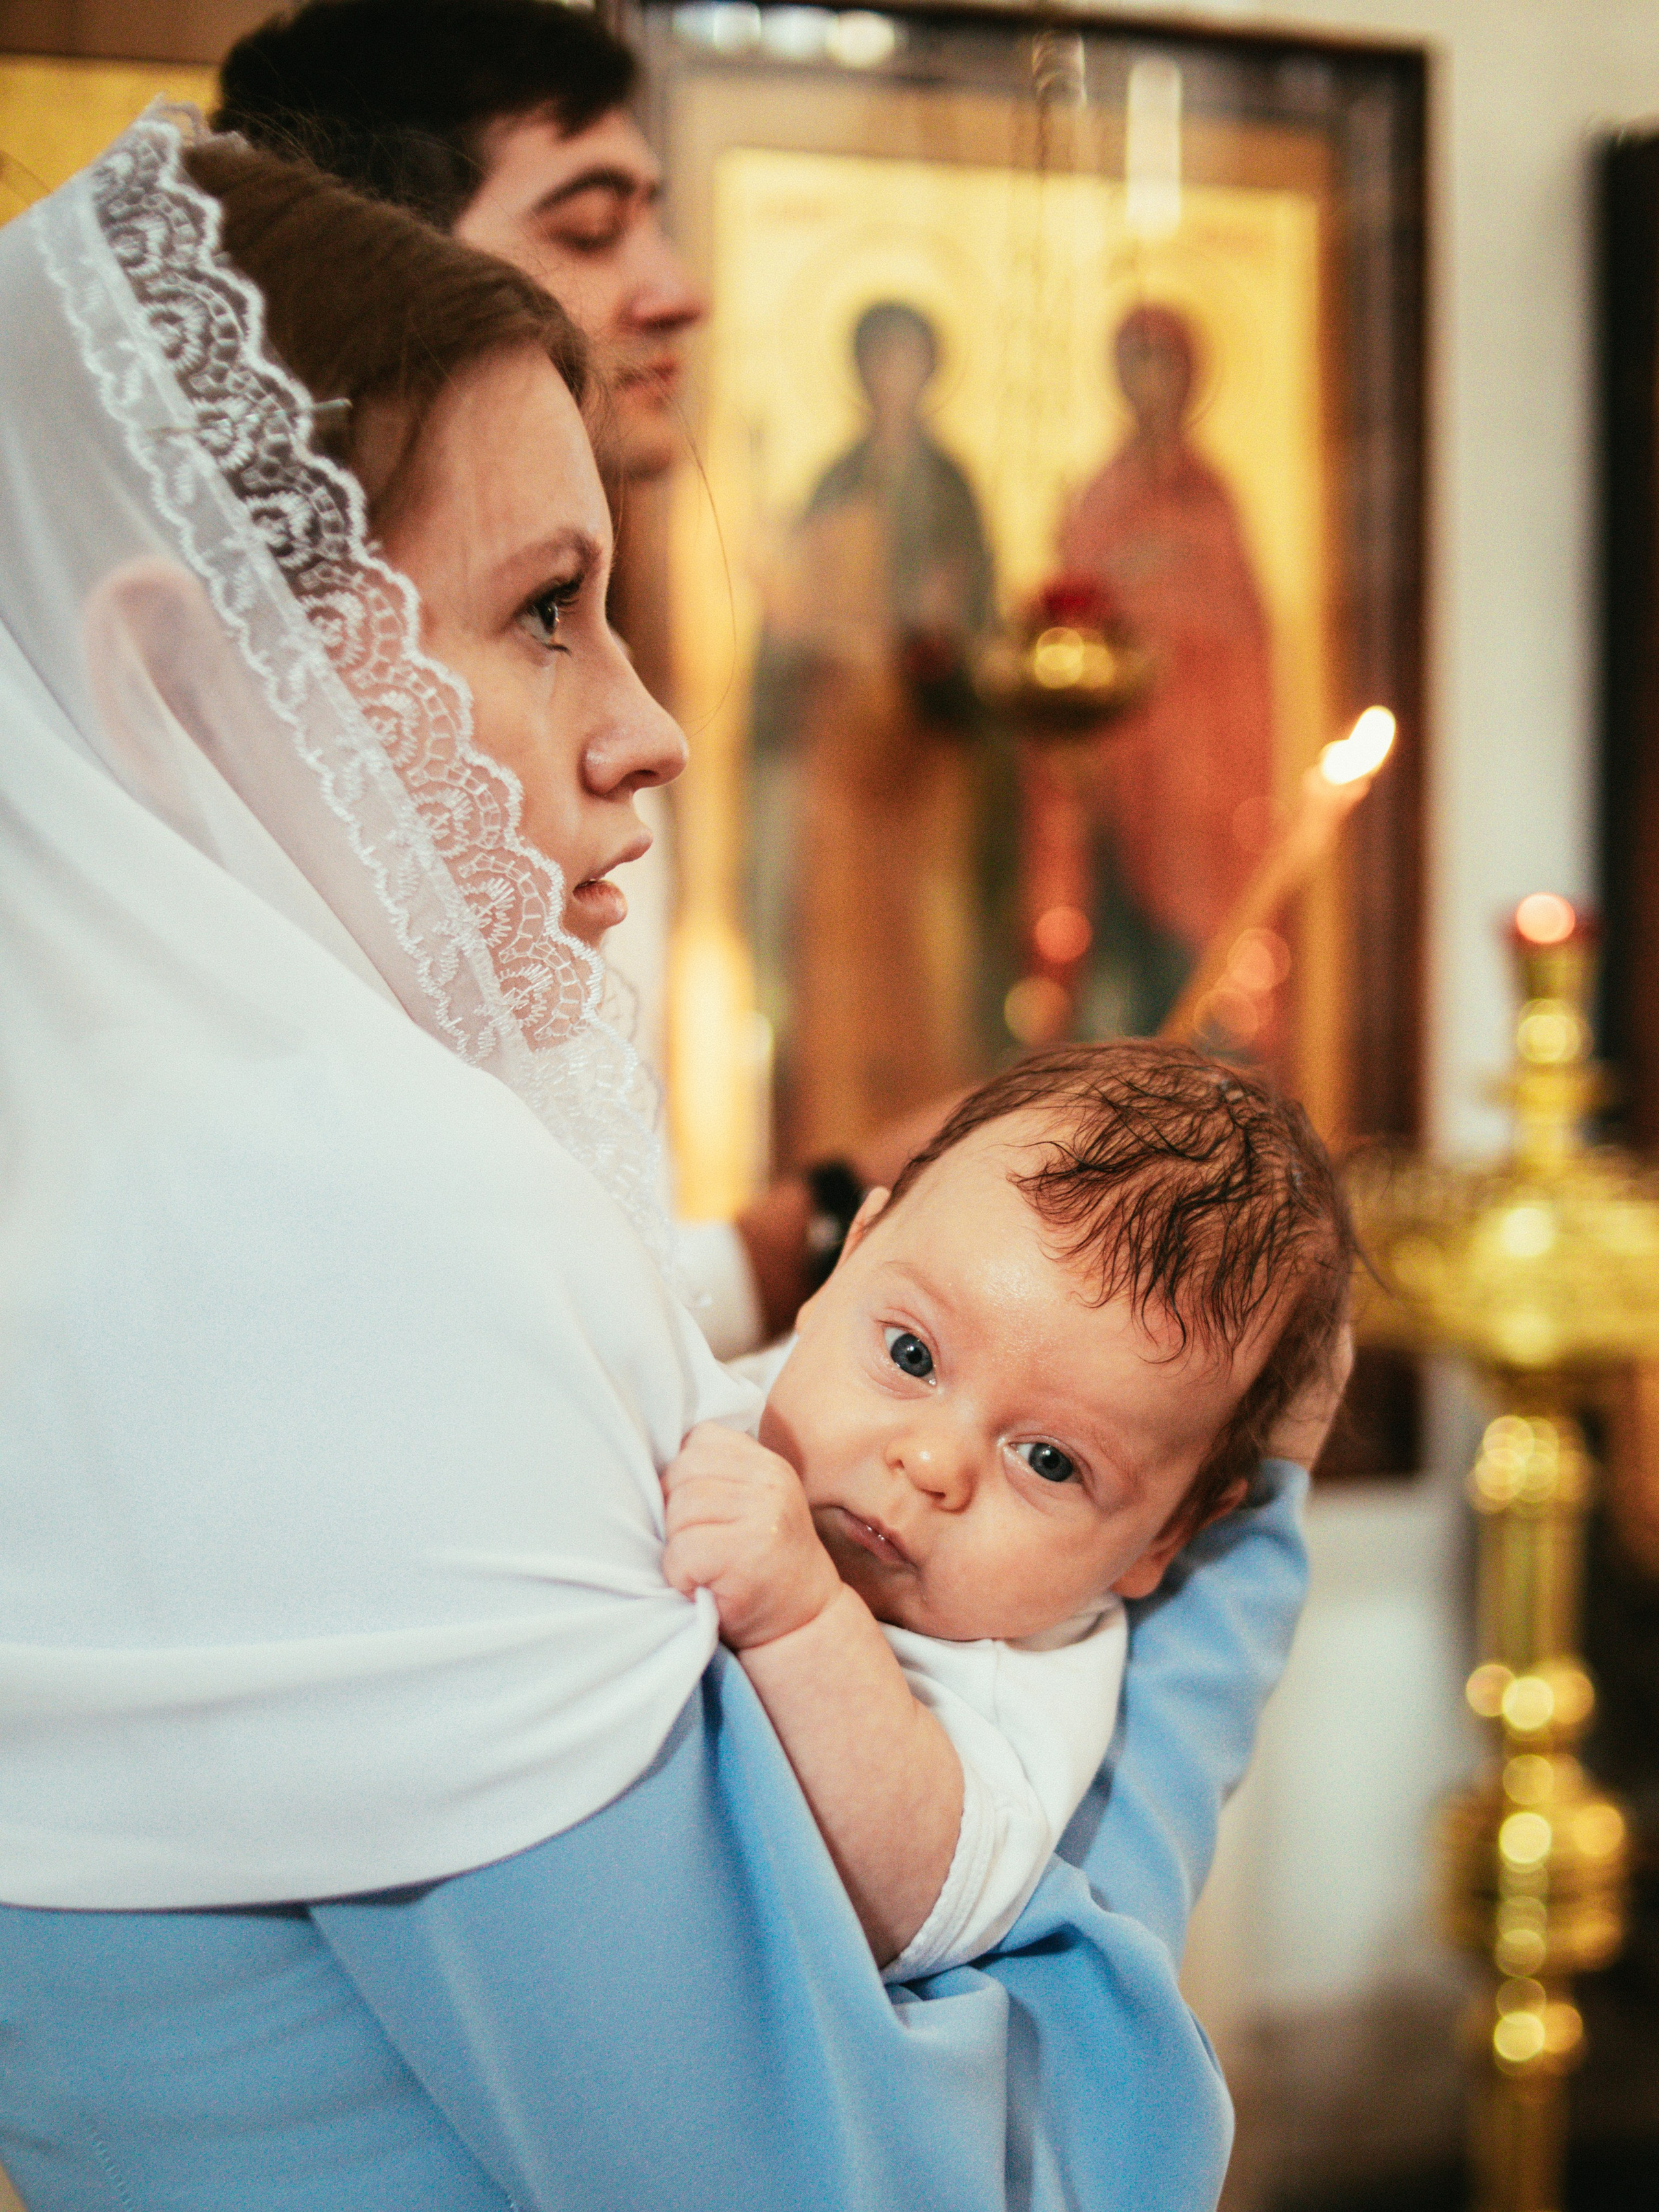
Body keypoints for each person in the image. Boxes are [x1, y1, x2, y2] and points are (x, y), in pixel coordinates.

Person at [0, 117, 1339, 2212]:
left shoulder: (116, 1192)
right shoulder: (360, 1222)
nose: (652, 728)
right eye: (548, 609)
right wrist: (1223, 1611)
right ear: (176, 676)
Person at [215, 0, 876, 1348]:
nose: (677, 286)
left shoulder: (573, 721)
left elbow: (516, 1299)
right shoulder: (266, 782)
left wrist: (798, 1241)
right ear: (371, 260)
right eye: (586, 227)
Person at [667, 1041, 1352, 1979]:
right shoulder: (728, 1381)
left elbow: (913, 1902)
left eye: (1048, 1460)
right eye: (912, 1356)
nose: (933, 1461)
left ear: (1163, 1538)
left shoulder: (1017, 1673)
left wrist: (798, 1620)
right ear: (843, 1270)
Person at [750, 299, 996, 1161]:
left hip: (925, 775)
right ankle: (834, 1165)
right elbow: (783, 646)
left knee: (930, 978)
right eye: (879, 359)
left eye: (909, 358)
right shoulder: (835, 480)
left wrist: (940, 642)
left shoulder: (953, 487)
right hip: (839, 777)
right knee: (840, 990)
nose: (894, 375)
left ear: (930, 370)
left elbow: (980, 638)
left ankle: (929, 1160)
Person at [1030, 302, 1276, 1040]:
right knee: (1115, 966)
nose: (1148, 381)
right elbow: (1072, 613)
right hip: (1115, 768)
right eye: (1133, 363)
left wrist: (1167, 602)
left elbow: (1246, 637)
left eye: (1162, 362)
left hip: (1201, 779)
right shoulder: (1100, 493)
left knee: (1195, 969)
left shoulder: (1211, 498)